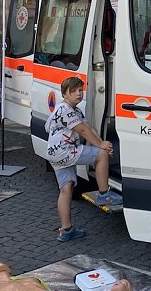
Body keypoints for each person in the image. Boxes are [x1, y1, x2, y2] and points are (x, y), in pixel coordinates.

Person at [45, 76, 122, 241]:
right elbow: (83, 131)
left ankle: (66, 230)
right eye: (74, 91)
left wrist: (102, 143)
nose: (79, 93)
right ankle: (103, 194)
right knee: (101, 155)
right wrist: (102, 146)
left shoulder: (73, 110)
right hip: (64, 151)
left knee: (66, 189)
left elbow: (89, 127)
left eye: (80, 90)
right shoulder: (65, 110)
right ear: (65, 94)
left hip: (54, 154)